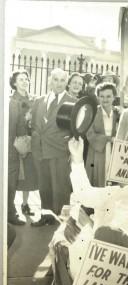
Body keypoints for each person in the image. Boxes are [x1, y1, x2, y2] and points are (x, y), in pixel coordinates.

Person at [31, 68, 77, 226]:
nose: (59, 83)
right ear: (50, 81)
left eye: (62, 80)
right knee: (43, 186)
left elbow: (76, 129)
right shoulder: (39, 100)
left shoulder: (73, 102)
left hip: (59, 150)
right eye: (56, 79)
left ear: (67, 83)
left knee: (61, 186)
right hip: (40, 150)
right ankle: (46, 216)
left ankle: (61, 219)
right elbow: (35, 125)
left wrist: (68, 142)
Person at [8, 69, 38, 225]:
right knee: (14, 176)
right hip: (15, 143)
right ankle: (10, 209)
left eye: (26, 79)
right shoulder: (11, 100)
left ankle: (25, 204)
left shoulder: (34, 99)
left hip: (29, 141)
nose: (24, 81)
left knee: (28, 175)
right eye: (21, 79)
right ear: (14, 83)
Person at [86, 82, 120, 187]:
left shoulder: (118, 113)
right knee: (99, 182)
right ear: (98, 97)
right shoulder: (92, 112)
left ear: (114, 97)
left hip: (115, 151)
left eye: (108, 96)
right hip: (97, 152)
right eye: (102, 96)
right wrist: (109, 139)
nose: (105, 99)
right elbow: (89, 134)